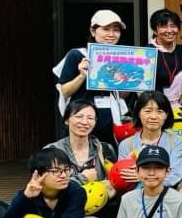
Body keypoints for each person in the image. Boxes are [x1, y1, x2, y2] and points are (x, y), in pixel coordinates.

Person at [55, 8, 128, 147]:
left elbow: (120, 96)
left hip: (110, 126)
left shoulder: (121, 58)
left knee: (108, 157)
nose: (111, 34)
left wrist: (129, 83)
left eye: (116, 30)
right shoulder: (77, 55)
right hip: (82, 123)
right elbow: (65, 91)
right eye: (106, 29)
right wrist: (82, 75)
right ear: (93, 31)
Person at [116, 91, 182, 189]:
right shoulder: (126, 145)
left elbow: (175, 175)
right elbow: (122, 175)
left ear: (166, 115)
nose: (153, 117)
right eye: (148, 111)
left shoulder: (176, 142)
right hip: (134, 195)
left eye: (159, 111)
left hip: (165, 194)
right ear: (139, 113)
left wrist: (143, 178)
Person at [45, 101, 116, 191]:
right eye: (79, 116)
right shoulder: (51, 151)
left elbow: (114, 182)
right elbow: (48, 186)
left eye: (90, 118)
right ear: (66, 120)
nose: (84, 122)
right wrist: (83, 178)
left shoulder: (105, 149)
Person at [148, 8, 182, 92]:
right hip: (156, 99)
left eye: (173, 26)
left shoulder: (181, 50)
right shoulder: (147, 52)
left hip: (179, 98)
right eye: (164, 26)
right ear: (155, 30)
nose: (169, 30)